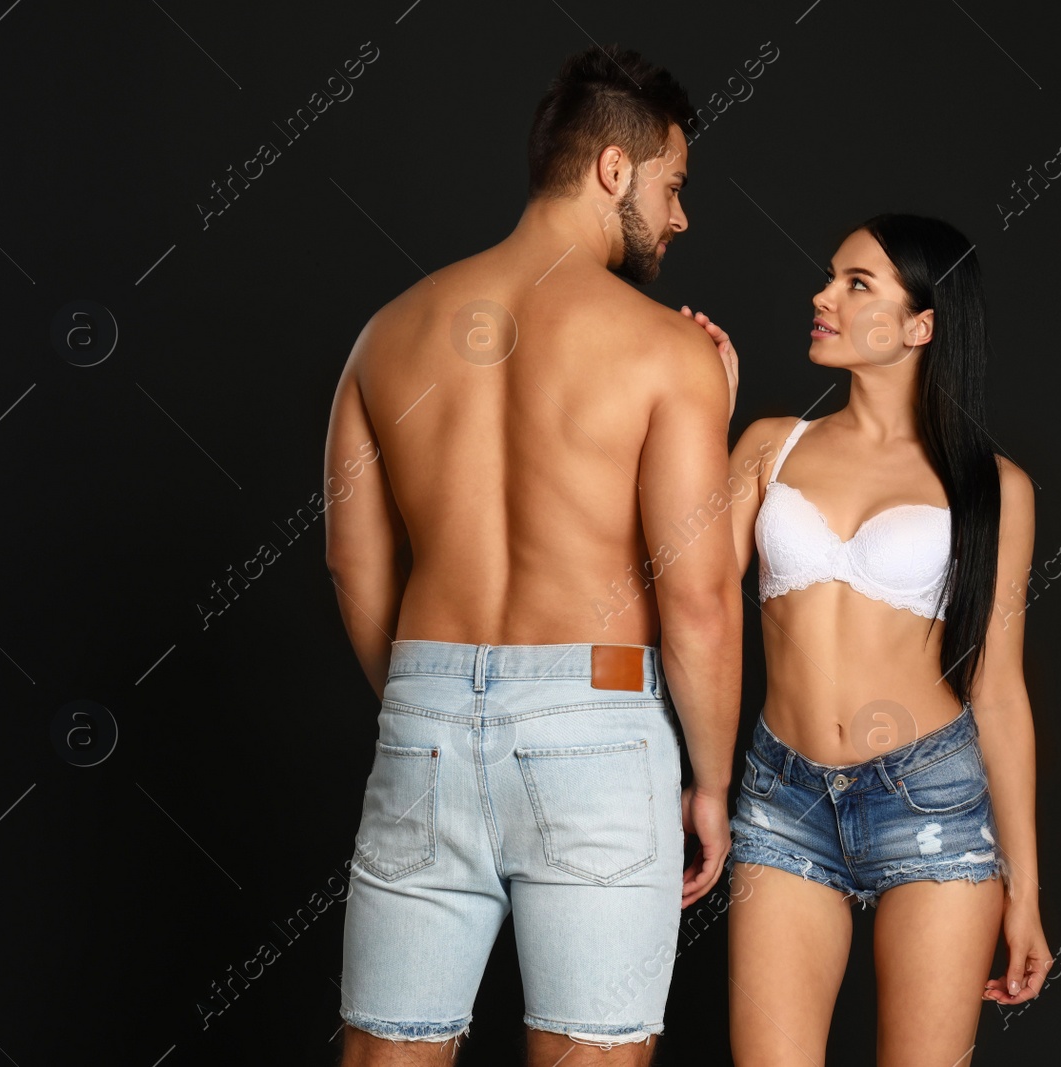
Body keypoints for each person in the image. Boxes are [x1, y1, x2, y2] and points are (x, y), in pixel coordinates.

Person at [324, 44, 742, 1066]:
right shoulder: (665, 351)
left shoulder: (386, 334)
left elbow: (352, 562)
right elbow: (698, 595)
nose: (680, 215)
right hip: (593, 724)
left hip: (420, 710)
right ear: (612, 168)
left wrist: (428, 695)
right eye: (672, 184)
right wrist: (712, 783)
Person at [720, 214, 1051, 1065]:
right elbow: (689, 599)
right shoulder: (769, 445)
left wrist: (1027, 891)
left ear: (921, 325)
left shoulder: (993, 486)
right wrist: (697, 408)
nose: (823, 296)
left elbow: (999, 689)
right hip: (781, 797)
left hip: (931, 803)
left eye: (856, 284)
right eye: (831, 277)